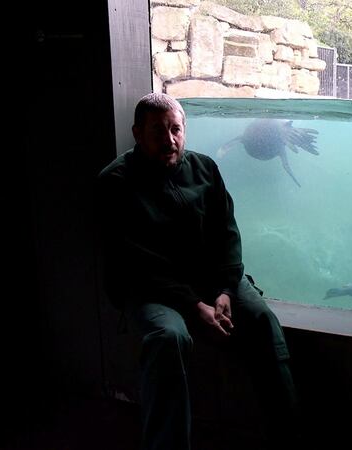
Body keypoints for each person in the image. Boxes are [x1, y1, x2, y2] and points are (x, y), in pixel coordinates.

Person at [95, 92, 298, 450]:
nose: (169, 140)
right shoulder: (115, 182)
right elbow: (136, 262)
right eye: (158, 131)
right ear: (137, 133)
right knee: (167, 338)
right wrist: (193, 305)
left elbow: (228, 235)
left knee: (263, 321)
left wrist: (223, 289)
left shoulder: (205, 168)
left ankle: (288, 436)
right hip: (151, 290)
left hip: (213, 283)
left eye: (176, 129)